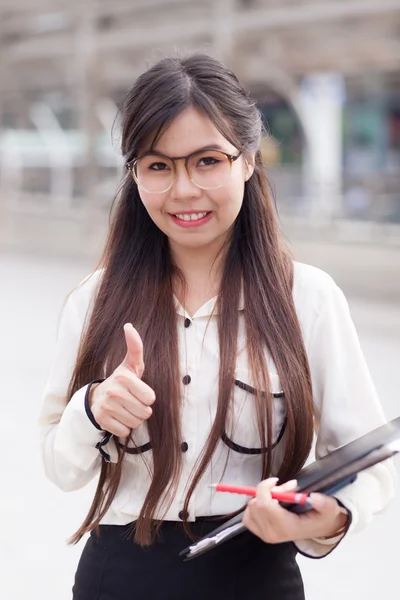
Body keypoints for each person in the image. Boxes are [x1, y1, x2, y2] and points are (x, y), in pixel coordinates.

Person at [39, 53, 396, 600]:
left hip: (255, 574)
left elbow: (367, 462)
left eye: (207, 161)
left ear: (248, 160)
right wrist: (93, 409)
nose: (183, 190)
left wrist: (321, 518)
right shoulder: (95, 301)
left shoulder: (309, 299)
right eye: (158, 166)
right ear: (134, 174)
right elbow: (60, 467)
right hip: (120, 578)